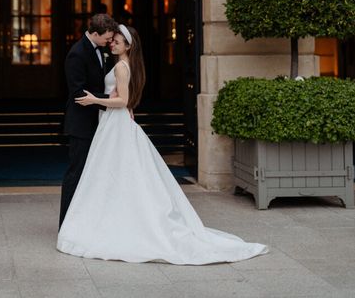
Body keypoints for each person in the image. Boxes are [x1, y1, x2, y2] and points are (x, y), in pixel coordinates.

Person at [57, 25, 268, 264]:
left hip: (114, 123)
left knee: (113, 172)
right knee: (115, 173)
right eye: (112, 40)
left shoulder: (122, 67)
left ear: (128, 45)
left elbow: (123, 99)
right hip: (112, 123)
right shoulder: (123, 64)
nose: (112, 44)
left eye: (117, 41)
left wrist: (95, 99)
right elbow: (124, 101)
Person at [59, 12, 118, 227]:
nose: (109, 41)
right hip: (81, 124)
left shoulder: (99, 50)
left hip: (97, 121)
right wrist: (110, 99)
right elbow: (78, 93)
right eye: (106, 38)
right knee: (76, 172)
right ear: (94, 33)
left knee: (93, 173)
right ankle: (65, 223)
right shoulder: (77, 53)